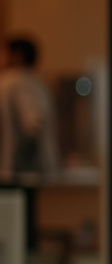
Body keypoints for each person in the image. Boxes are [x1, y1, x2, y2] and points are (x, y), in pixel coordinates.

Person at [0, 37, 59, 181]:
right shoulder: (32, 81)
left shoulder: (18, 82)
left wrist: (21, 164)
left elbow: (34, 123)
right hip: (25, 173)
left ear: (17, 55)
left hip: (20, 174)